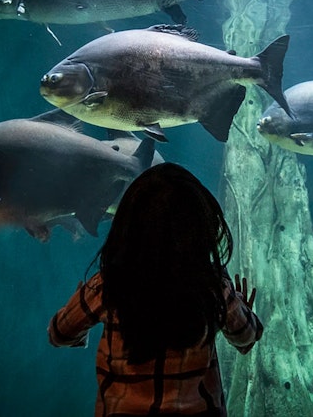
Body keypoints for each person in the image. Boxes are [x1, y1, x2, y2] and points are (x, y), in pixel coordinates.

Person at [49, 162, 263, 416]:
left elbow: (59, 333)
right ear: (200, 229)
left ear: (127, 228)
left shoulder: (108, 284)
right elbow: (247, 336)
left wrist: (79, 307)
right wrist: (242, 307)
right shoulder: (212, 286)